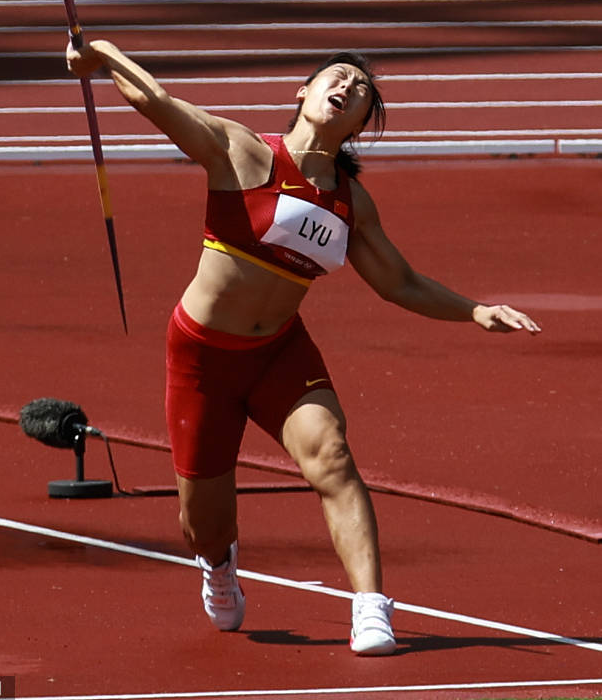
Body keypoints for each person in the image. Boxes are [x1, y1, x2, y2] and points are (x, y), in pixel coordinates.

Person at [66, 41, 541, 656]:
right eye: (335, 77)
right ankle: (219, 563)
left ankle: (372, 609)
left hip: (279, 356)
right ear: (304, 92)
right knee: (202, 525)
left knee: (333, 456)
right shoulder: (242, 152)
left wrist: (474, 310)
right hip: (203, 358)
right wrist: (101, 54)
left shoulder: (349, 203)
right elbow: (155, 100)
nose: (346, 86)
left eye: (361, 90)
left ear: (360, 124)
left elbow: (399, 282)